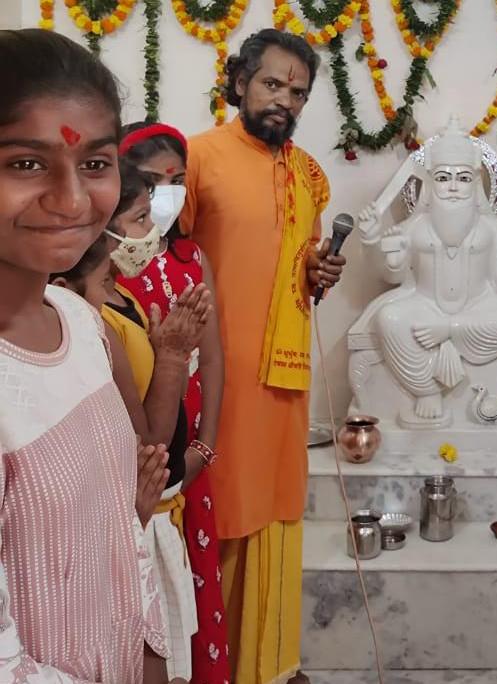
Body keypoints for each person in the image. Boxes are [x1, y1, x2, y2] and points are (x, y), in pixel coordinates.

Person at [0, 28, 171, 682]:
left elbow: (122, 541)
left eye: (95, 164)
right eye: (26, 164)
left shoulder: (77, 319)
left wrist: (152, 655)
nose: (73, 201)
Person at [178, 28, 346, 684]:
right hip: (216, 379)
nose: (284, 100)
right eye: (272, 83)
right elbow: (164, 261)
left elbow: (297, 269)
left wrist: (318, 272)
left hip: (283, 377)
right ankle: (213, 667)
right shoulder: (197, 158)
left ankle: (270, 664)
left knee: (277, 506)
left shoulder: (309, 175)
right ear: (240, 81)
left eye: (298, 92)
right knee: (220, 507)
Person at [53, 160, 212, 681]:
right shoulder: (90, 322)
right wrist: (172, 356)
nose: (152, 230)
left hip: (150, 514)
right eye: (140, 217)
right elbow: (146, 443)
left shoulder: (118, 299)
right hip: (130, 521)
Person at [117, 121, 231, 684]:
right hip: (139, 466)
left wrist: (203, 449)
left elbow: (213, 359)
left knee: (196, 581)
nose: (167, 193)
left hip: (190, 459)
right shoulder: (111, 270)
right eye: (153, 181)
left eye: (178, 180)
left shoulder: (191, 258)